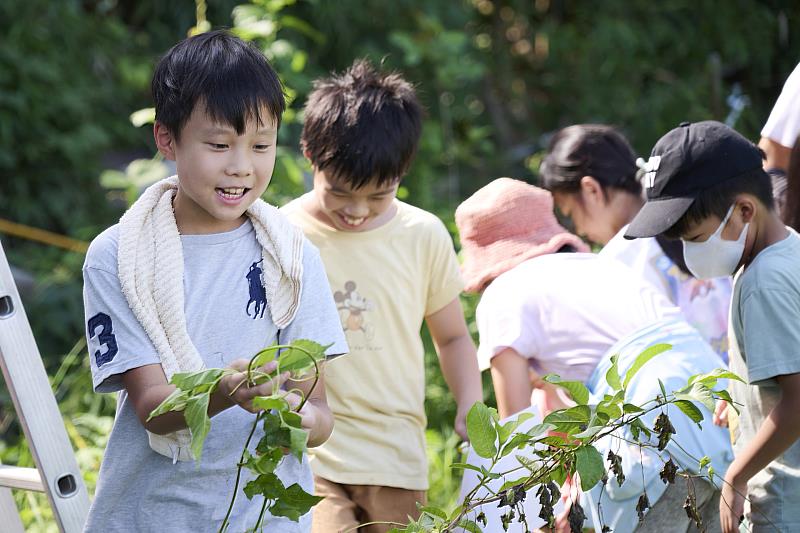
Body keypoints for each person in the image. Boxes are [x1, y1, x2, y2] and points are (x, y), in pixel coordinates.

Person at [82, 30, 347, 532]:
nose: (241, 167)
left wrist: (304, 419)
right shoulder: (117, 255)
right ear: (167, 139)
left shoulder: (291, 255)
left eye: (261, 145)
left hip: (263, 518)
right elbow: (152, 409)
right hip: (150, 516)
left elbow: (319, 411)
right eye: (220, 144)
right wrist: (226, 391)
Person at [455, 178, 732, 533]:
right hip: (713, 400)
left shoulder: (503, 296)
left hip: (649, 419)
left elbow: (517, 432)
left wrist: (537, 519)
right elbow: (561, 413)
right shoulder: (600, 267)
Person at [281, 59, 482, 532]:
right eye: (341, 192)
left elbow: (451, 338)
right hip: (311, 452)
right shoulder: (281, 234)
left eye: (378, 196)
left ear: (402, 170)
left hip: (397, 455)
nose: (356, 211)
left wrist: (470, 404)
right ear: (310, 153)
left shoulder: (423, 234)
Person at [624, 120, 800, 533]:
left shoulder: (762, 281)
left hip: (786, 503)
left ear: (743, 210)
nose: (690, 254)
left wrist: (737, 476)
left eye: (697, 237)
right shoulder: (783, 249)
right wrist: (743, 390)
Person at [540, 124, 732, 361]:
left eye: (571, 214)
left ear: (591, 190)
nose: (578, 230)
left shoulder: (620, 260)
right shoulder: (694, 200)